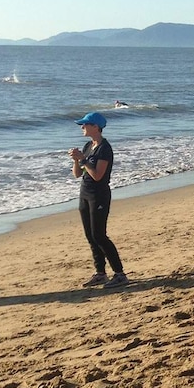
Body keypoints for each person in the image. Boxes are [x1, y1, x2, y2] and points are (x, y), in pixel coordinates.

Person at [68, 111, 128, 288]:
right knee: (90, 236)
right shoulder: (88, 145)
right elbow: (78, 174)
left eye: (85, 124)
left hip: (99, 195)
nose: (82, 127)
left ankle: (120, 274)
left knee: (99, 235)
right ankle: (100, 273)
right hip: (85, 193)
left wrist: (84, 160)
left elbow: (98, 175)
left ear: (95, 127)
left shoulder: (104, 148)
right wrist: (76, 160)